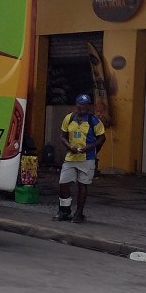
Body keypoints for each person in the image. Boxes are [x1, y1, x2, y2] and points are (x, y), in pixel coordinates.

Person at [53, 93, 106, 224]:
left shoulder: (94, 121)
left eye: (86, 104)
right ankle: (64, 211)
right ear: (76, 105)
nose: (84, 107)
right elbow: (62, 136)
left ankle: (79, 213)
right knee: (63, 183)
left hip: (87, 158)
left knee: (83, 185)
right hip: (71, 157)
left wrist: (90, 148)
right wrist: (69, 147)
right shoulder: (69, 118)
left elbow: (102, 138)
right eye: (81, 104)